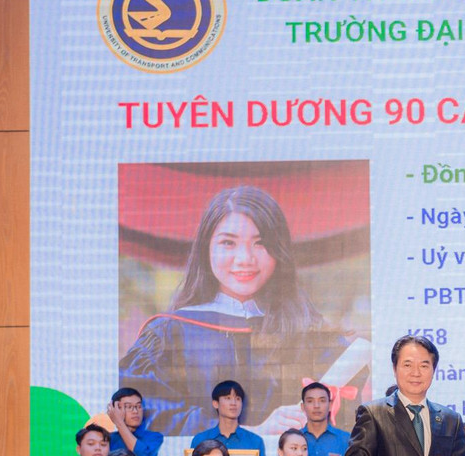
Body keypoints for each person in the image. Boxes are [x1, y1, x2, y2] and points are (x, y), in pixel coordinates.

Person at [119, 184, 365, 437]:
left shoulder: (308, 333)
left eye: (260, 243)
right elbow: (144, 413)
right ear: (206, 248)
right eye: (228, 242)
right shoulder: (170, 332)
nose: (245, 258)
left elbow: (346, 423)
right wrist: (249, 432)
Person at [191, 380, 269, 456]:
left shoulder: (255, 441)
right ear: (215, 403)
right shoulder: (200, 440)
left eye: (238, 399)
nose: (233, 403)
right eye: (228, 398)